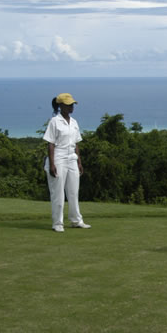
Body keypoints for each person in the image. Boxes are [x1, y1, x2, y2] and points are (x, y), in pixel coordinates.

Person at [43, 93, 91, 232]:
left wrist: (79, 162)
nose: (71, 107)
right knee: (58, 193)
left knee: (73, 192)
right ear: (61, 106)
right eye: (69, 104)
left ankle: (76, 220)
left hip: (72, 159)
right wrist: (52, 164)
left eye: (72, 104)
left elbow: (76, 143)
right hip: (58, 158)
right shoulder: (54, 121)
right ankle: (57, 223)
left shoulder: (74, 122)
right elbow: (50, 144)